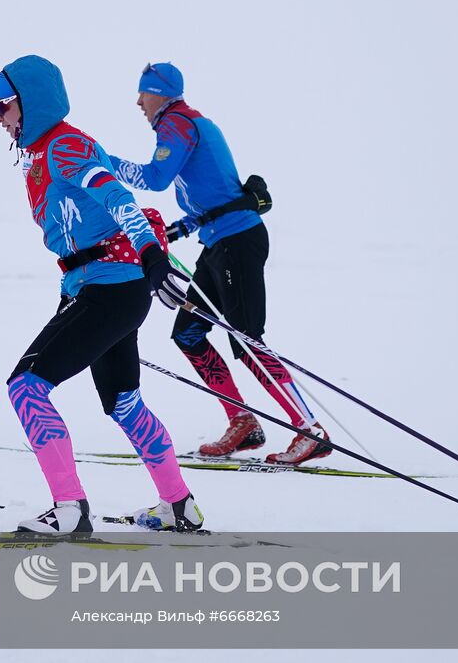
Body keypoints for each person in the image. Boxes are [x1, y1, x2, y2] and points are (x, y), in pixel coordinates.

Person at [0, 54, 203, 533]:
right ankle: (178, 506)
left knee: (26, 388)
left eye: (3, 105)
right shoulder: (50, 152)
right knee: (124, 403)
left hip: (109, 289)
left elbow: (118, 198)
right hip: (100, 289)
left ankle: (69, 512)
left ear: (30, 103)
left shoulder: (64, 145)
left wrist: (152, 253)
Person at [107, 62, 331, 465]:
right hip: (219, 242)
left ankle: (309, 429)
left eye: (144, 93)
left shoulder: (176, 123)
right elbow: (216, 191)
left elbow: (156, 179)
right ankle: (242, 422)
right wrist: (184, 226)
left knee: (246, 340)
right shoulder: (190, 124)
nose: (139, 102)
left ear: (162, 93)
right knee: (188, 334)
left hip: (236, 243)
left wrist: (103, 162)